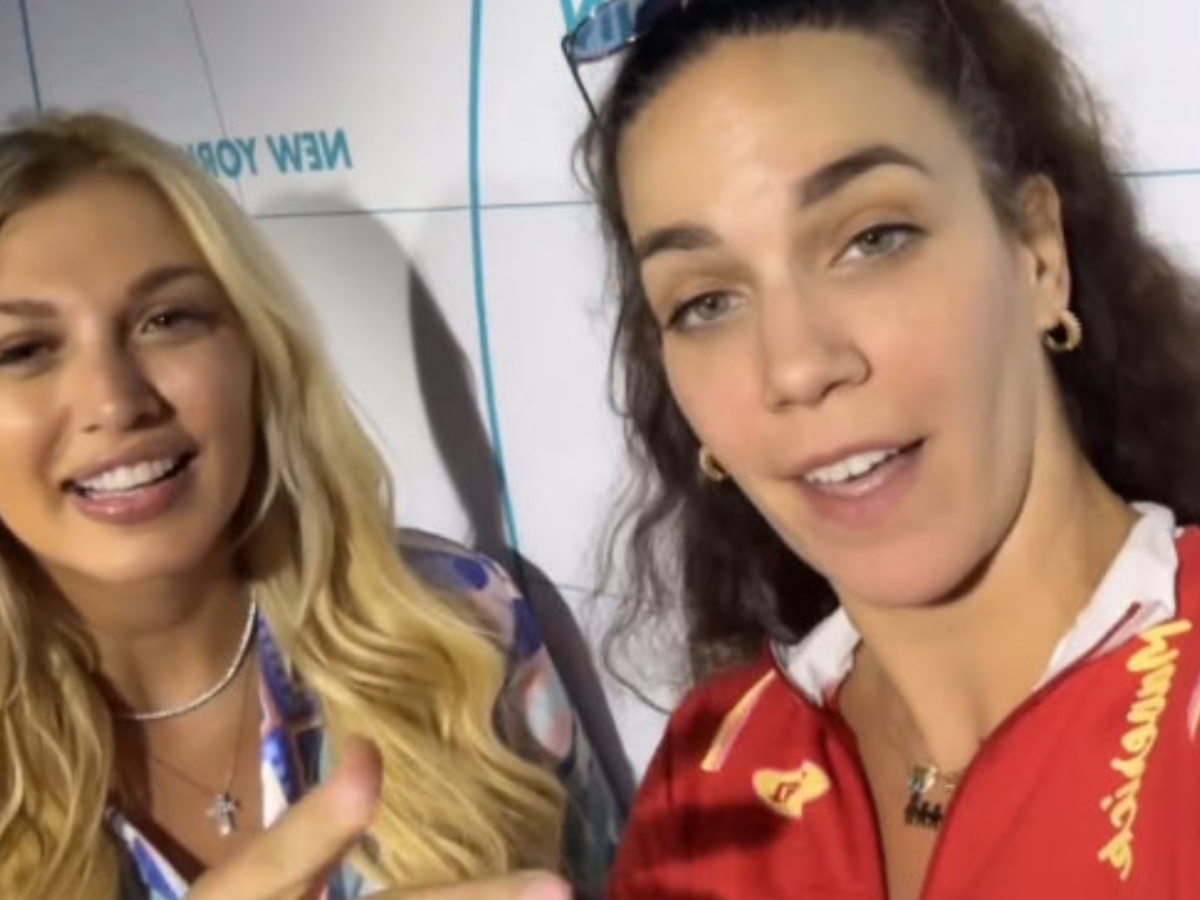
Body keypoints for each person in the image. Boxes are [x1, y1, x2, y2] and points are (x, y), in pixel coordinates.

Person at [563, 0, 1200, 896]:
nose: (797, 366)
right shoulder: (708, 783)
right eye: (706, 301)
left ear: (1038, 256)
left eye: (872, 240)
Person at [0, 111, 616, 900]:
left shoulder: (452, 626)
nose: (115, 402)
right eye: (23, 351)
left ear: (256, 352)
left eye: (167, 320)